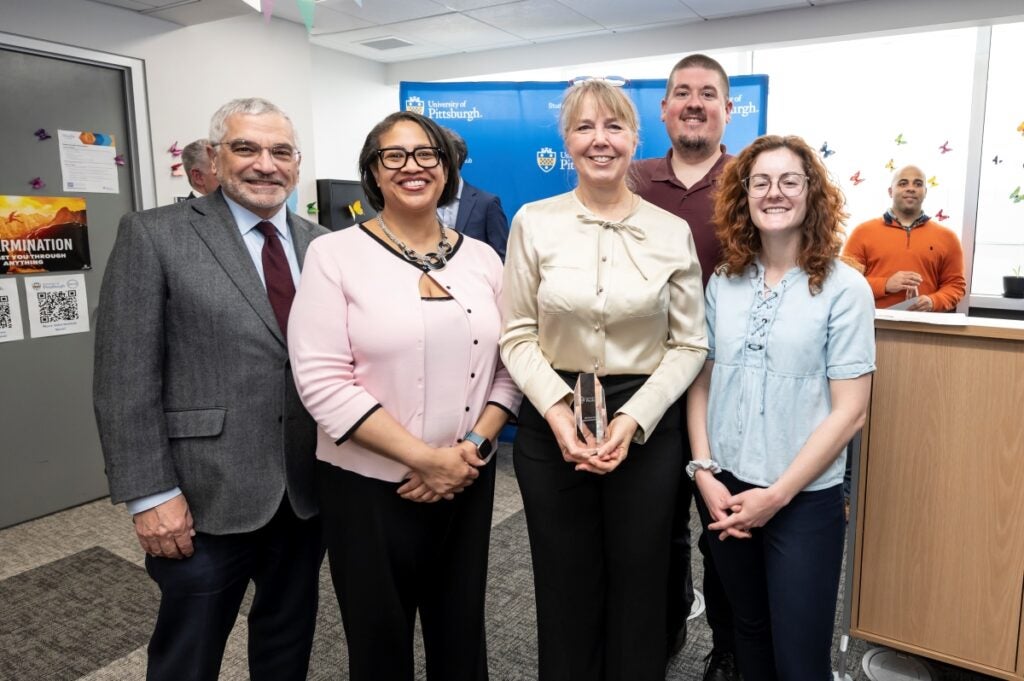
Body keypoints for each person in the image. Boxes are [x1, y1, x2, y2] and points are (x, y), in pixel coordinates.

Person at [93, 97, 327, 681]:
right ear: (215, 160)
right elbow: (124, 376)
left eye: (281, 152)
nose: (265, 164)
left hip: (305, 492)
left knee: (287, 641)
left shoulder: (321, 243)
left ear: (297, 165)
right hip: (202, 497)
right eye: (246, 148)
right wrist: (150, 495)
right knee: (188, 656)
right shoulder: (155, 235)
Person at [288, 110, 521, 681]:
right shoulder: (334, 255)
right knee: (378, 639)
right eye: (394, 156)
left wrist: (468, 451)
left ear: (447, 168)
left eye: (427, 154)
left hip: (468, 473)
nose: (412, 167)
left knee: (461, 631)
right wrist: (425, 460)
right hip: (366, 486)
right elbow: (321, 380)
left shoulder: (484, 258)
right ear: (372, 172)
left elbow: (511, 366)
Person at [500, 78, 708, 681]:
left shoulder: (671, 231)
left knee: (641, 580)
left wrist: (634, 417)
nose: (600, 140)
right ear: (566, 140)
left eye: (613, 127)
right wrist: (559, 414)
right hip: (553, 415)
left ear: (635, 139)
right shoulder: (533, 223)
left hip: (644, 417)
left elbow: (689, 342)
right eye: (585, 127)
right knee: (564, 579)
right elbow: (516, 332)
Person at [688, 134, 876, 681]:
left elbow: (851, 411)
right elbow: (701, 381)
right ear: (743, 195)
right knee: (747, 629)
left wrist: (777, 495)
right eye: (761, 182)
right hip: (725, 490)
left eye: (789, 181)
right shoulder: (724, 281)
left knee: (799, 655)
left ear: (811, 193)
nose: (775, 193)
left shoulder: (845, 289)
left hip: (802, 501)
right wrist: (703, 473)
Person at [632, 52, 740, 680]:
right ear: (665, 109)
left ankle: (726, 647)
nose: (694, 102)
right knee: (654, 528)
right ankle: (666, 626)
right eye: (682, 92)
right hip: (642, 387)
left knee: (721, 529)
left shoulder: (749, 178)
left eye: (708, 93)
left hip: (723, 391)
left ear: (728, 109)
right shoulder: (634, 179)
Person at [842, 164, 966, 311]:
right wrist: (885, 285)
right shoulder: (862, 232)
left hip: (926, 329)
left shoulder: (948, 238)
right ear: (890, 191)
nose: (911, 188)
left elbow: (955, 285)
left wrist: (933, 301)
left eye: (918, 184)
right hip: (873, 326)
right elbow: (845, 283)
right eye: (903, 183)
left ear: (925, 192)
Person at [437, 127, 511, 260]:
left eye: (437, 154)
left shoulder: (486, 203)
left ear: (455, 157)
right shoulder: (418, 201)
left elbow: (501, 257)